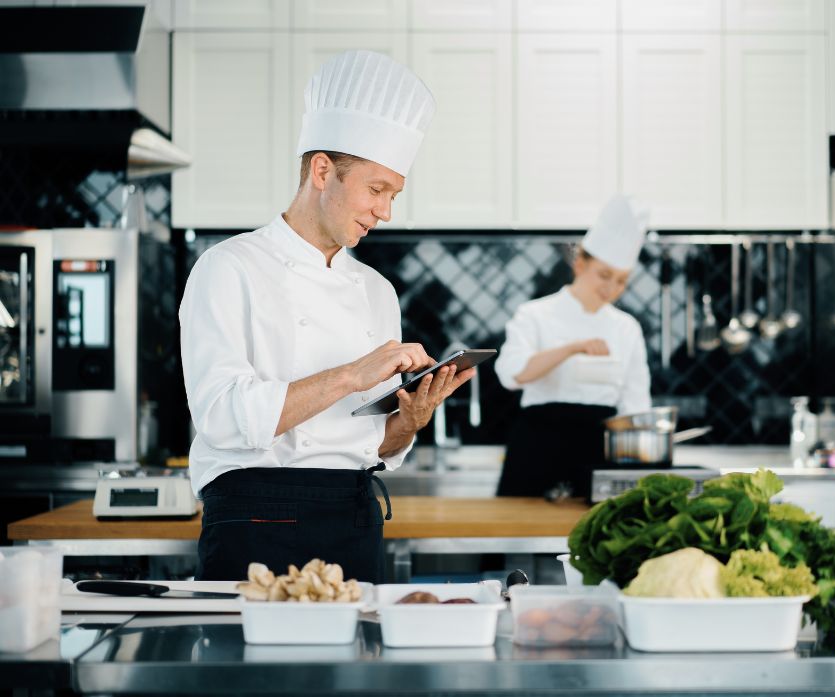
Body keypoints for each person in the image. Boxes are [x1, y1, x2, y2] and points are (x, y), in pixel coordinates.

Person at [179, 50, 474, 582]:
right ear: (322, 171)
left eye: (394, 194)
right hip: (255, 521)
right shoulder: (228, 268)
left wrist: (408, 424)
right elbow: (220, 416)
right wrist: (349, 375)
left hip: (353, 521)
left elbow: (366, 445)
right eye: (376, 189)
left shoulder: (377, 291)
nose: (386, 211)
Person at [494, 195, 652, 499]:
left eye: (621, 281)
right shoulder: (535, 314)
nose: (611, 288)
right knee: (519, 534)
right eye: (604, 275)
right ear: (580, 264)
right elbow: (511, 374)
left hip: (599, 450)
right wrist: (572, 348)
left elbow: (636, 404)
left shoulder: (626, 327)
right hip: (538, 444)